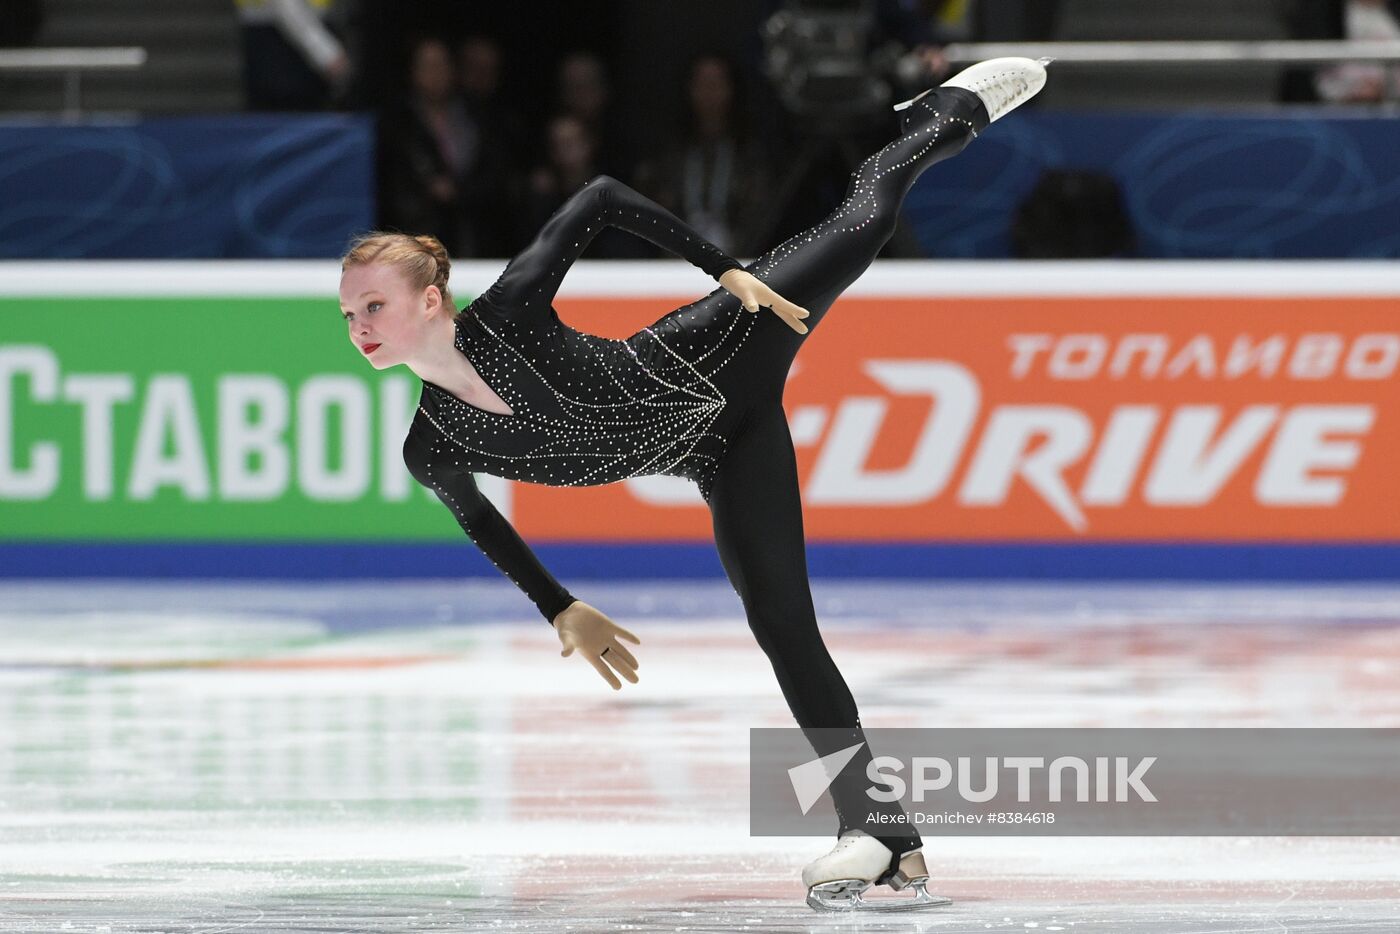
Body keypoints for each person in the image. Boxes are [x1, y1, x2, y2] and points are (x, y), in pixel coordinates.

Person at [338, 56, 1048, 913]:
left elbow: (598, 195)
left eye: (372, 307)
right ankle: (886, 837)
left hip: (722, 339)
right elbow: (483, 523)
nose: (359, 328)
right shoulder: (432, 445)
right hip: (720, 450)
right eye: (348, 316)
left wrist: (725, 269)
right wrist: (561, 606)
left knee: (866, 219)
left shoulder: (508, 312)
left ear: (429, 299)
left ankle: (940, 117)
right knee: (785, 627)